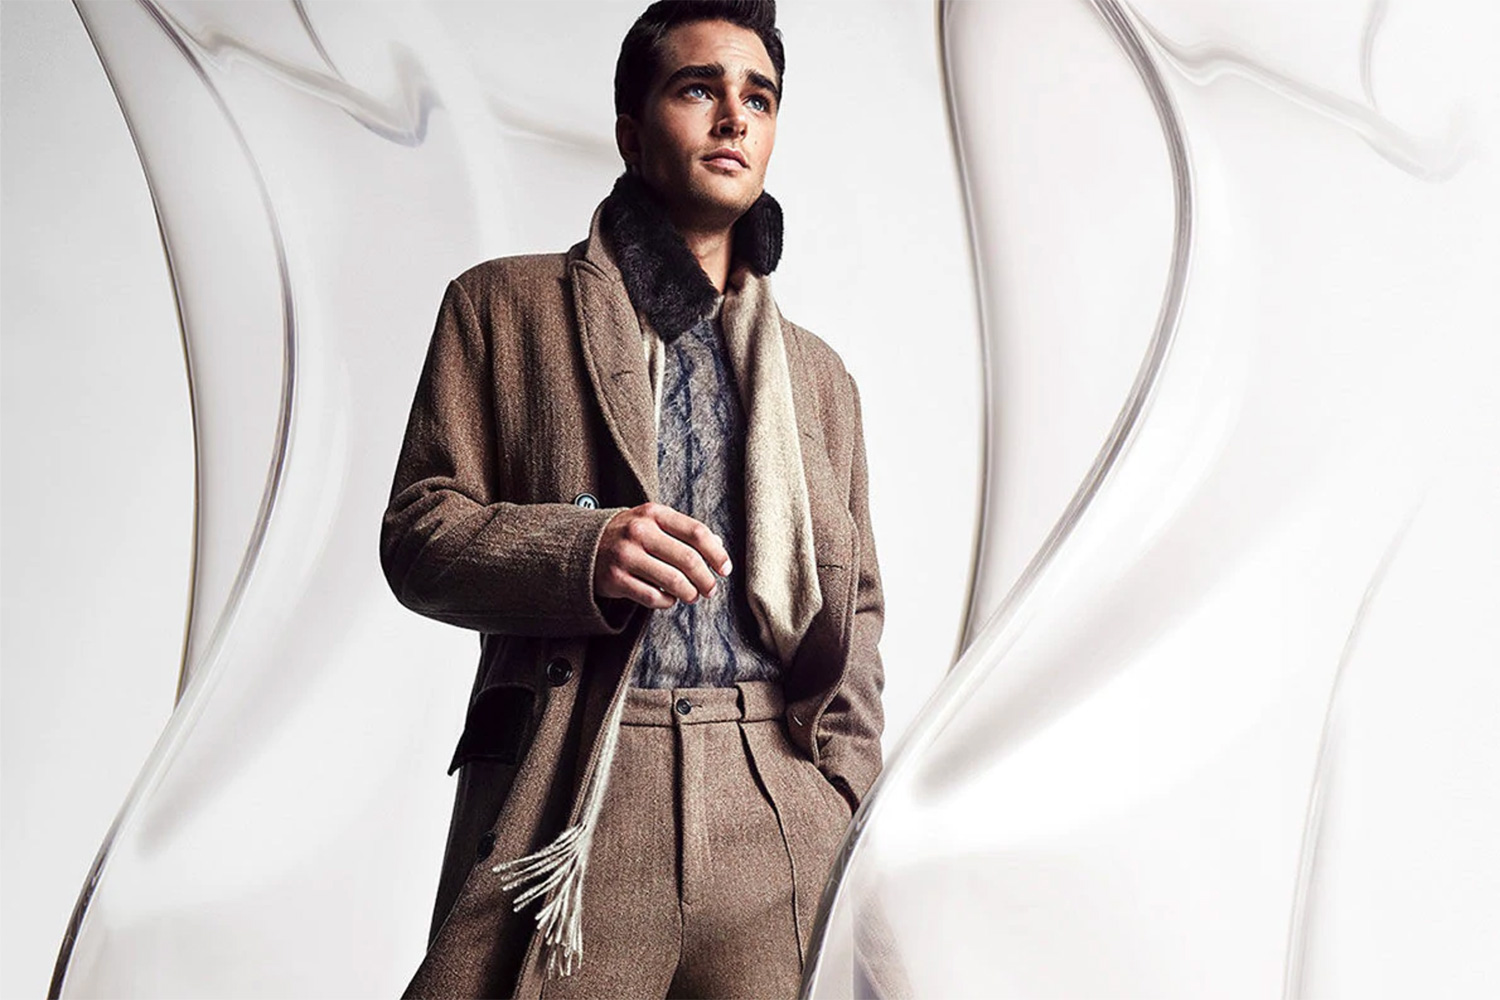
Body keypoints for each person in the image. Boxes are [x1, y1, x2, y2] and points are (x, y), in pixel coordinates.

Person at [380, 2, 885, 996]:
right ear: (631, 131)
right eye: (699, 89)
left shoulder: (819, 376)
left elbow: (856, 606)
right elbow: (419, 534)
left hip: (776, 790)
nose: (734, 118)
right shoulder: (503, 307)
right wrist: (586, 549)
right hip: (584, 785)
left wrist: (843, 792)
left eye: (759, 99)